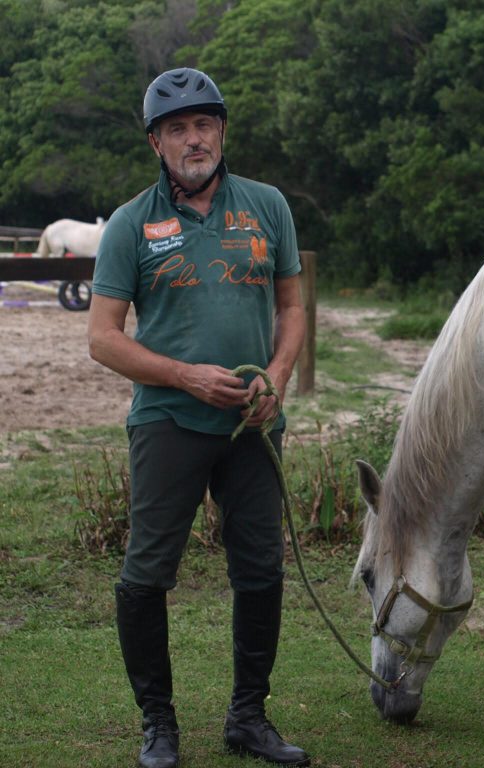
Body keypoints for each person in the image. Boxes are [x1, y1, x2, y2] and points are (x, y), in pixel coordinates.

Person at [88, 67, 309, 768]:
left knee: (260, 569)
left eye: (204, 124)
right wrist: (184, 375)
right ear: (156, 142)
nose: (194, 139)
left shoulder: (269, 206)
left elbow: (293, 308)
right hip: (167, 423)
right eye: (177, 128)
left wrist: (275, 378)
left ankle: (249, 717)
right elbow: (103, 337)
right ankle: (158, 723)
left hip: (253, 427)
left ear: (222, 132)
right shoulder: (131, 224)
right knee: (147, 573)